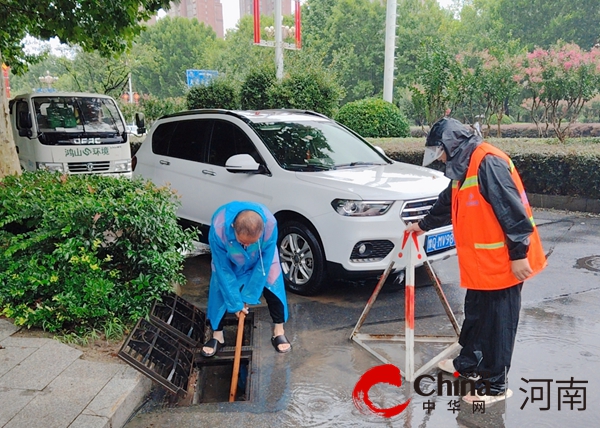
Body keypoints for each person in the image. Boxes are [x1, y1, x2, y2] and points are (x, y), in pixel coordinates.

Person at [406, 117, 546, 404]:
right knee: (476, 315)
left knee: (499, 323)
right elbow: (448, 203)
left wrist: (518, 254)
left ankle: (495, 386)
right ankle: (468, 364)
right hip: (483, 265)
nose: (440, 157)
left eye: (440, 151)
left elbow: (513, 211)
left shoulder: (487, 162)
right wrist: (422, 224)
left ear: (452, 145)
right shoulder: (464, 166)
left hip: (505, 263)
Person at [201, 201, 291, 357]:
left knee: (273, 284)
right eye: (243, 242)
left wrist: (248, 296)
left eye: (252, 242)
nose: (247, 246)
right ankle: (217, 335)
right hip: (228, 259)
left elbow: (263, 266)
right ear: (233, 228)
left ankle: (278, 330)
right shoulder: (219, 226)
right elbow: (223, 269)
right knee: (219, 287)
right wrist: (236, 303)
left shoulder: (270, 224)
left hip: (261, 258)